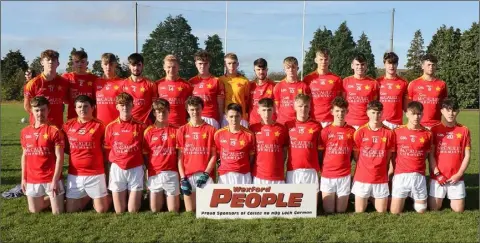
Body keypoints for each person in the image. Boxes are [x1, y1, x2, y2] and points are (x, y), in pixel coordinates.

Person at [63, 95, 110, 213]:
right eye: (79, 107)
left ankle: (106, 196)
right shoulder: (67, 126)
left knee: (102, 210)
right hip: (75, 174)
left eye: (86, 106)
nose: (82, 109)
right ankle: (89, 196)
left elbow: (106, 149)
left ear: (93, 107)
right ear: (75, 109)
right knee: (70, 210)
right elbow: (65, 147)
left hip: (95, 173)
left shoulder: (100, 125)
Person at [20, 96, 65, 214]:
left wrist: (55, 180)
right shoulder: (25, 132)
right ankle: (52, 199)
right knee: (34, 210)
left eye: (43, 110)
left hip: (51, 178)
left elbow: (60, 158)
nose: (40, 113)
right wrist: (23, 178)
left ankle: (60, 197)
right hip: (32, 178)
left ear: (48, 110)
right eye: (37, 110)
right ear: (31, 111)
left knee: (57, 212)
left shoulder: (54, 131)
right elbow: (24, 156)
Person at [104, 92, 147, 213]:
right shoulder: (110, 127)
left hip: (135, 168)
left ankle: (138, 197)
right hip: (117, 168)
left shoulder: (141, 126)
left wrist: (146, 169)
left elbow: (145, 151)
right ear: (116, 107)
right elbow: (107, 150)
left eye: (128, 105)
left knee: (132, 210)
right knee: (119, 211)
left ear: (133, 106)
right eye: (122, 105)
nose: (125, 108)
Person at [352, 100, 395, 213]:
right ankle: (369, 197)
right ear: (367, 113)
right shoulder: (360, 132)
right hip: (363, 177)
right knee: (359, 211)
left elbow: (388, 156)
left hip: (380, 178)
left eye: (379, 113)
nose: (376, 116)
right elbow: (356, 155)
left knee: (382, 211)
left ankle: (372, 197)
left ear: (382, 113)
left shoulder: (389, 133)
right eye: (373, 112)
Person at [390, 101, 434, 214]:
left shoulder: (427, 134)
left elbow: (428, 155)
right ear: (407, 114)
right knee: (395, 211)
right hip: (401, 175)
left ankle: (412, 197)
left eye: (419, 114)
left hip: (419, 175)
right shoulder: (397, 132)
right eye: (413, 113)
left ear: (422, 114)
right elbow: (392, 154)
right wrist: (391, 170)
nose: (416, 117)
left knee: (421, 210)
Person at [429, 98, 471, 212]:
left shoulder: (464, 130)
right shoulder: (434, 129)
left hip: (456, 177)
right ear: (442, 111)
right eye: (447, 110)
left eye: (453, 110)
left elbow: (467, 155)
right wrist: (437, 174)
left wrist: (459, 174)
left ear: (458, 111)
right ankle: (442, 196)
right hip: (438, 177)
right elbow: (431, 155)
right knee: (434, 208)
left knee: (458, 210)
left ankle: (451, 196)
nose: (450, 113)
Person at [177, 96, 217, 212]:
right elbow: (180, 157)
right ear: (187, 110)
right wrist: (183, 178)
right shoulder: (182, 130)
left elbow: (214, 155)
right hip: (188, 175)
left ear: (202, 109)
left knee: (207, 210)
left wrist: (206, 174)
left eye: (197, 109)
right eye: (192, 109)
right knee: (190, 211)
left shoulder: (211, 130)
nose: (195, 112)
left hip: (205, 175)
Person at [143, 98, 180, 212]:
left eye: (164, 111)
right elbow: (145, 155)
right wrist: (148, 172)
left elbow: (180, 154)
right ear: (154, 113)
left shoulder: (177, 130)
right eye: (158, 111)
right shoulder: (148, 131)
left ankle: (169, 196)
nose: (161, 114)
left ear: (169, 112)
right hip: (155, 173)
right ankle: (156, 195)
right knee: (155, 209)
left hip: (171, 173)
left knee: (173, 210)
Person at [320, 96, 356, 213]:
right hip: (328, 175)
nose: (340, 114)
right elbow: (321, 153)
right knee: (329, 210)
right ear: (332, 111)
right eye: (337, 111)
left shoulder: (352, 131)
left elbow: (353, 154)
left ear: (347, 112)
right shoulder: (325, 131)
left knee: (341, 210)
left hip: (344, 175)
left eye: (342, 111)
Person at [285, 94, 323, 194]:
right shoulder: (288, 125)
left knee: (311, 206)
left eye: (306, 106)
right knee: (293, 204)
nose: (303, 109)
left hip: (311, 169)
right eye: (300, 106)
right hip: (293, 169)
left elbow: (320, 149)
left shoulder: (317, 126)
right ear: (295, 106)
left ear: (310, 107)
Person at [24, 49, 69, 128]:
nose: (50, 62)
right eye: (48, 60)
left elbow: (67, 100)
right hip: (39, 127)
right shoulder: (33, 83)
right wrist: (40, 117)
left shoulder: (64, 82)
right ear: (42, 62)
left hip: (57, 127)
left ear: (58, 63)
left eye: (53, 60)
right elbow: (27, 106)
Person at [249, 98, 288, 184]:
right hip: (258, 175)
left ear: (274, 110)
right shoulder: (253, 128)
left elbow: (285, 151)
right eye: (264, 110)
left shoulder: (282, 128)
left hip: (277, 175)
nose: (266, 114)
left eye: (269, 110)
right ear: (258, 111)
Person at [214, 103, 255, 184]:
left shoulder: (249, 135)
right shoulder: (218, 134)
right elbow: (218, 153)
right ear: (226, 117)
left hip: (243, 175)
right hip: (225, 175)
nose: (234, 119)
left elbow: (251, 157)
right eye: (231, 116)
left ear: (241, 116)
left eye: (237, 116)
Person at [303, 48, 342, 128]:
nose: (323, 62)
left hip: (332, 119)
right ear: (316, 60)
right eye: (321, 59)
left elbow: (340, 101)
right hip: (313, 119)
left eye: (326, 59)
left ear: (330, 60)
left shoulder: (336, 79)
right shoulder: (308, 79)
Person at [407, 54, 448, 129]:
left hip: (436, 125)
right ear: (422, 66)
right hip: (419, 124)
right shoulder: (413, 84)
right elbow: (408, 106)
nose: (431, 67)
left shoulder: (442, 84)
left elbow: (445, 106)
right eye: (428, 65)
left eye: (433, 65)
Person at [188, 50, 225, 129]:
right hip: (195, 118)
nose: (202, 66)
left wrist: (221, 120)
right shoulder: (191, 82)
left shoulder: (216, 81)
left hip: (211, 118)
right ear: (196, 64)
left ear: (209, 64)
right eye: (200, 63)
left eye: (205, 64)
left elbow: (220, 104)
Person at [342, 53, 379, 130]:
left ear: (366, 66)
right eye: (357, 64)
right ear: (352, 66)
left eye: (362, 64)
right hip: (349, 123)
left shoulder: (373, 83)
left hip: (367, 123)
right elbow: (342, 103)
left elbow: (375, 105)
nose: (360, 67)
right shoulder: (345, 82)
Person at [157, 55, 193, 128]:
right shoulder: (157, 84)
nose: (171, 70)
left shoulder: (187, 85)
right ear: (164, 67)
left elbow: (191, 105)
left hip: (181, 125)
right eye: (169, 67)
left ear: (178, 68)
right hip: (162, 125)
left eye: (174, 67)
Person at [274, 57, 311, 125]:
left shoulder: (304, 86)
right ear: (284, 69)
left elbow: (308, 105)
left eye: (293, 67)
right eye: (288, 68)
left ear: (297, 68)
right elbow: (276, 106)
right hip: (283, 122)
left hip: (298, 122)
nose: (291, 70)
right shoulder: (278, 86)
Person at [122, 53, 158, 125]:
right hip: (129, 123)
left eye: (139, 65)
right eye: (133, 65)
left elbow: (155, 107)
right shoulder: (123, 84)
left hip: (146, 124)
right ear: (129, 66)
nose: (136, 68)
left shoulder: (151, 84)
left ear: (142, 66)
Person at [62, 50, 98, 120]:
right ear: (73, 63)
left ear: (87, 63)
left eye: (82, 62)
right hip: (72, 118)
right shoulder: (66, 77)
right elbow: (64, 99)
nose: (80, 64)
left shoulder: (95, 79)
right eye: (77, 62)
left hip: (90, 119)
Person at [377, 52, 408, 130]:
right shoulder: (377, 82)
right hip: (381, 122)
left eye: (394, 63)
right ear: (384, 64)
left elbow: (406, 107)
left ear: (397, 64)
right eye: (389, 63)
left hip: (397, 124)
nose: (391, 66)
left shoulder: (403, 83)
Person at [219, 53, 250, 128]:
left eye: (234, 63)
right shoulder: (220, 80)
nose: (231, 66)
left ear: (237, 64)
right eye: (229, 63)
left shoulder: (244, 81)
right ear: (224, 64)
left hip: (241, 117)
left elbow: (247, 100)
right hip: (226, 118)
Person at [95, 53, 125, 125]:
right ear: (101, 65)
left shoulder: (122, 83)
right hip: (99, 125)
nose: (108, 67)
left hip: (116, 125)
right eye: (105, 64)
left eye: (111, 64)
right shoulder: (95, 82)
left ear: (115, 65)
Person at [248, 58, 276, 125]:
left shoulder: (274, 86)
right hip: (253, 123)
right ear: (254, 70)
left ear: (267, 70)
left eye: (263, 69)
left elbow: (276, 106)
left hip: (269, 123)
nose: (261, 72)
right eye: (258, 69)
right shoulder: (249, 86)